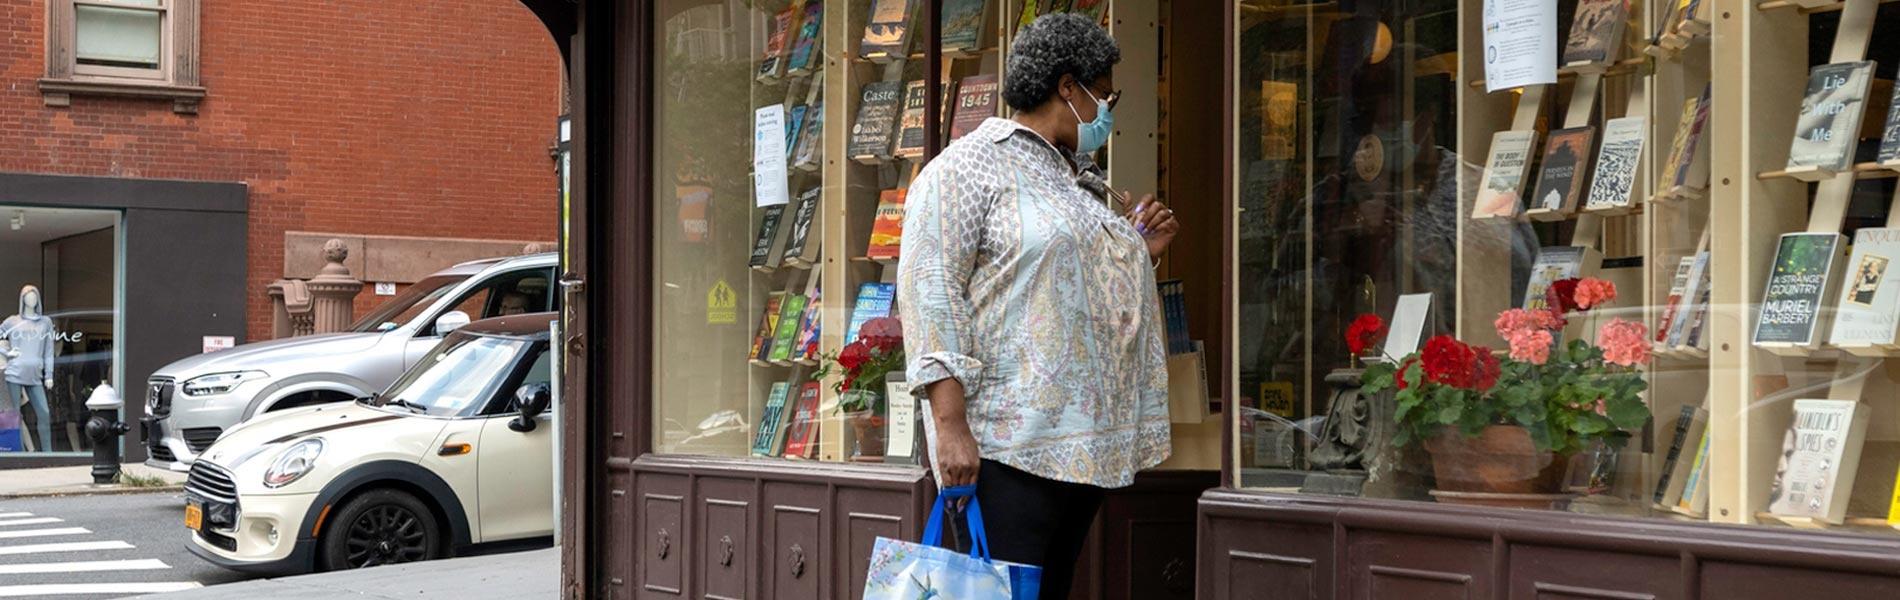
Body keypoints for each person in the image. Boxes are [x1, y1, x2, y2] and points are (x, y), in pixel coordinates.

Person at [896, 13, 1178, 599]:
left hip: (1081, 455)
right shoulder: (966, 168)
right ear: (1068, 88)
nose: (1108, 110)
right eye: (1105, 94)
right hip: (1003, 450)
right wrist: (950, 431)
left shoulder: (1077, 179)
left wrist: (1139, 252)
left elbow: (1071, 289)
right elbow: (931, 293)